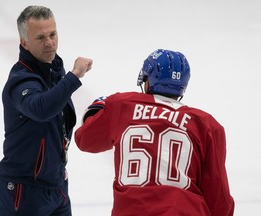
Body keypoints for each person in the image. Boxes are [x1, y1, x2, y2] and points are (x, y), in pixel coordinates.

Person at [74, 49, 235, 215]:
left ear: (148, 81)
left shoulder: (121, 105)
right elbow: (218, 198)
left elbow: (85, 140)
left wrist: (96, 112)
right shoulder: (207, 124)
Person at [0, 5, 92, 216]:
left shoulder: (54, 73)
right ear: (24, 42)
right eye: (40, 38)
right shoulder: (20, 80)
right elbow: (41, 109)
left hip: (57, 187)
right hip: (22, 191)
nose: (50, 43)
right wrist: (74, 76)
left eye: (52, 34)